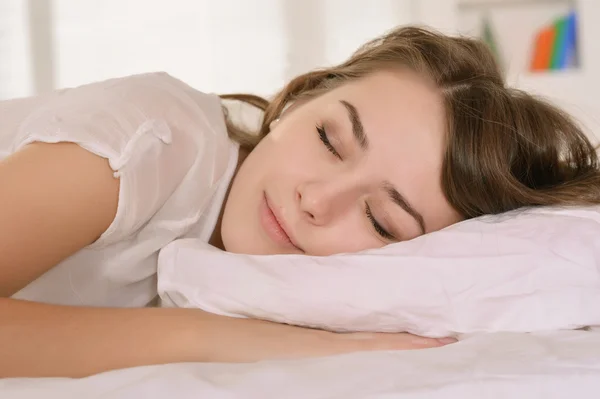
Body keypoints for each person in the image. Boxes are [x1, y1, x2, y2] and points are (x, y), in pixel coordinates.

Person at [1, 26, 599, 378]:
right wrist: (198, 335)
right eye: (327, 139)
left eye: (380, 220)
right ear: (296, 102)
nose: (317, 200)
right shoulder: (154, 139)